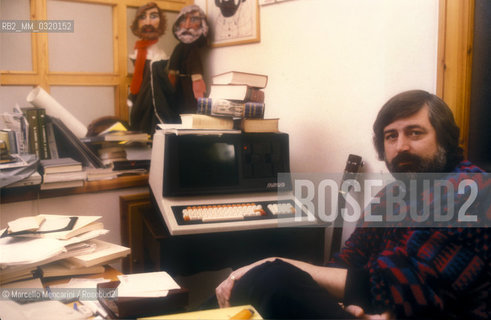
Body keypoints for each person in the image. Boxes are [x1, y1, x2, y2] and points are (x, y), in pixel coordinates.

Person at [214, 90, 490, 319]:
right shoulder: (394, 194)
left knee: (273, 278)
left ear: (444, 139)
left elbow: (409, 290)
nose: (401, 146)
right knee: (259, 286)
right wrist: (345, 304)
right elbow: (350, 259)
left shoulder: (472, 191)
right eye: (391, 136)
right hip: (380, 309)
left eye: (415, 133)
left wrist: (275, 263)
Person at [128, 2, 180, 134]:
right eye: (143, 17)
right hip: (140, 105)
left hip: (160, 107)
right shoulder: (138, 53)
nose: (148, 22)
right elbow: (137, 79)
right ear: (137, 23)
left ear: (160, 22)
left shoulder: (160, 57)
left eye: (153, 16)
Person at [168, 5, 208, 114]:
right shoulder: (180, 47)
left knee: (190, 110)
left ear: (202, 24)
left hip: (189, 88)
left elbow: (196, 70)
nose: (187, 25)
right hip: (179, 87)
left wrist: (199, 92)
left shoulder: (192, 48)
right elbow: (173, 68)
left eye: (194, 19)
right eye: (183, 20)